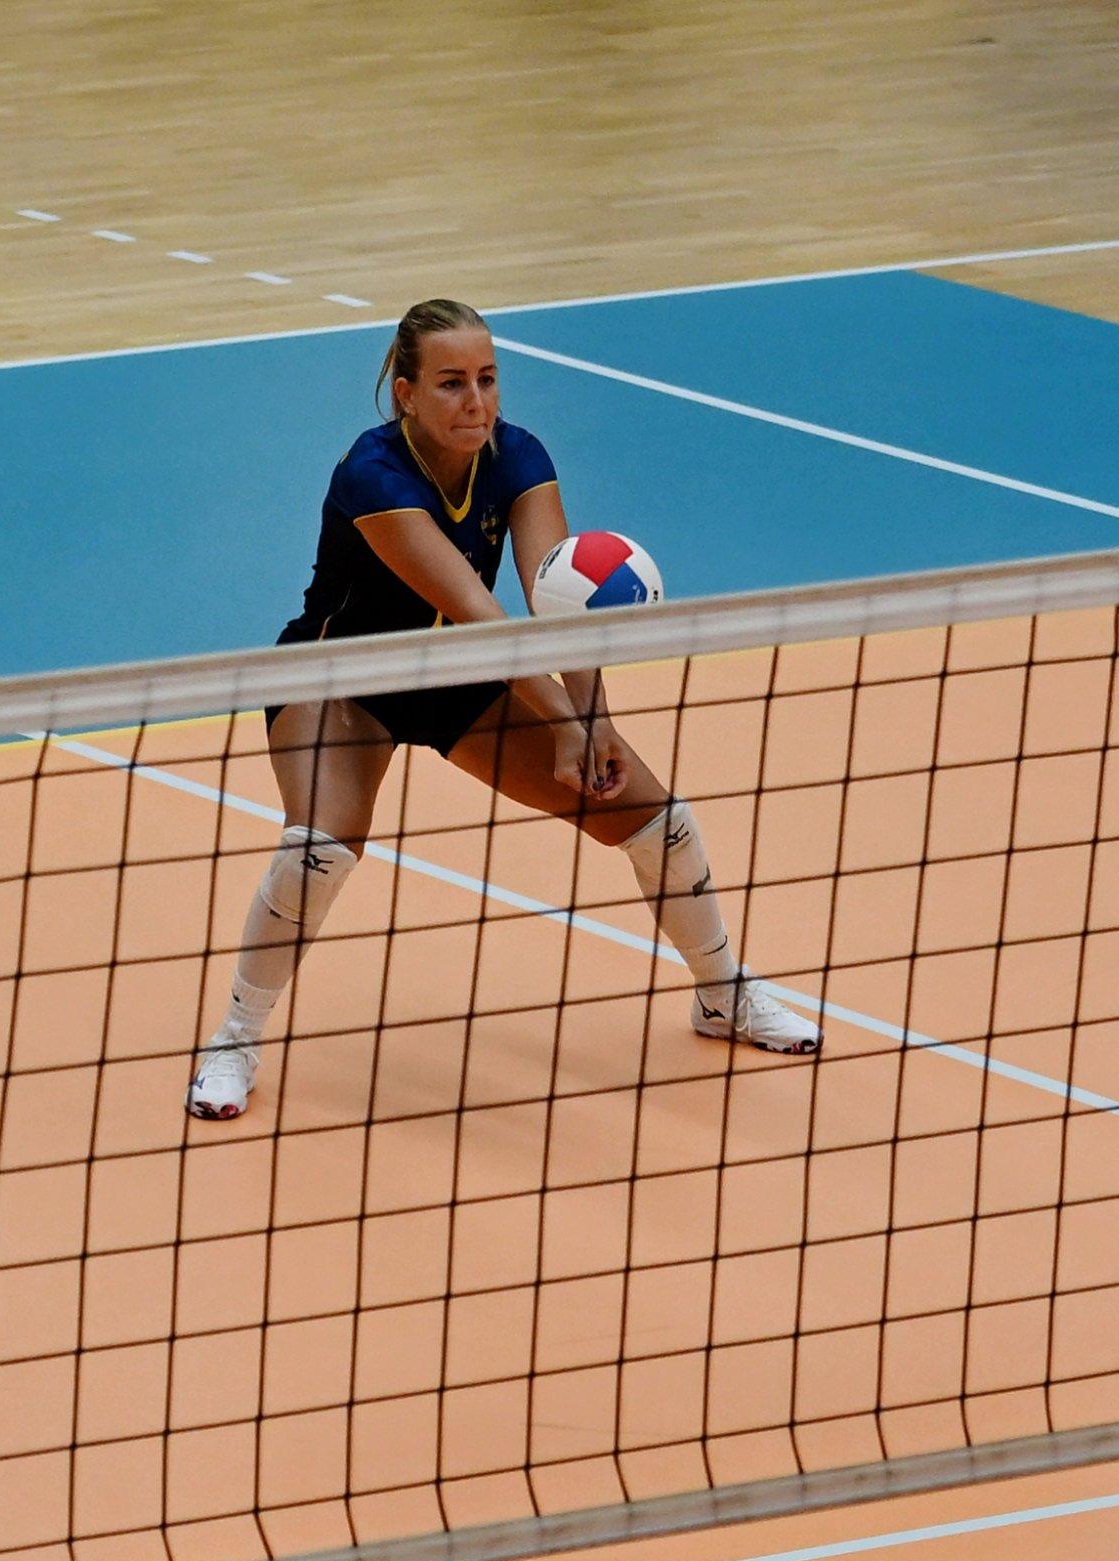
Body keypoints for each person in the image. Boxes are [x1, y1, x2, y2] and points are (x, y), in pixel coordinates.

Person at [188, 299, 820, 1119]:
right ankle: (235, 1039)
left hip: (459, 675)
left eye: (487, 379)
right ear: (406, 394)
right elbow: (479, 611)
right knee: (320, 848)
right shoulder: (371, 474)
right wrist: (564, 723)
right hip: (341, 677)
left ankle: (721, 990)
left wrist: (593, 720)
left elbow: (560, 600)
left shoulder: (520, 457)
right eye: (451, 383)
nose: (476, 401)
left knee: (658, 822)